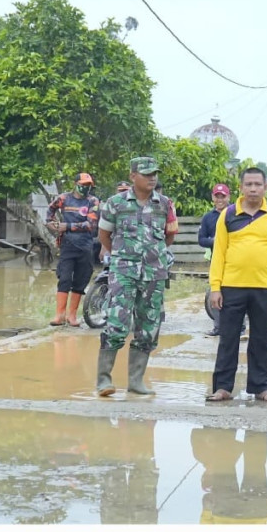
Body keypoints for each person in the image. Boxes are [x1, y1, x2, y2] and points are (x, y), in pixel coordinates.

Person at [94, 157, 177, 396]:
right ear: (133, 176)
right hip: (124, 274)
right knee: (116, 324)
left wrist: (153, 254)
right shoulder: (116, 203)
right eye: (147, 174)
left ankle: (136, 381)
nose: (152, 178)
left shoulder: (164, 204)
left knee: (149, 328)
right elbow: (104, 236)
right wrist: (123, 257)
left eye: (155, 174)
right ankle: (104, 380)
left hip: (154, 274)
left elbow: (169, 236)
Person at [206, 167, 267, 403]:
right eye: (249, 184)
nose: (253, 188)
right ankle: (222, 387)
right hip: (232, 287)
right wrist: (215, 287)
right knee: (228, 338)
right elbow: (219, 253)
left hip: (265, 287)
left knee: (261, 339)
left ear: (266, 187)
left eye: (258, 184)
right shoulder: (228, 214)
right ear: (241, 188)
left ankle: (261, 387)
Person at [46, 173, 100, 327]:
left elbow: (91, 224)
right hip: (67, 245)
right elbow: (50, 211)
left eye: (88, 185)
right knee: (64, 278)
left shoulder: (93, 201)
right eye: (83, 184)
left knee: (80, 280)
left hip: (85, 246)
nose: (86, 188)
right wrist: (51, 223)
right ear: (75, 183)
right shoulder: (63, 198)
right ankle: (59, 315)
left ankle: (72, 316)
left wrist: (67, 226)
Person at [198, 183, 233, 337]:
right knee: (216, 292)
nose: (220, 200)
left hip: (234, 261)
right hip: (216, 260)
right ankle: (218, 327)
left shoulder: (236, 214)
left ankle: (240, 327)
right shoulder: (208, 217)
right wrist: (216, 241)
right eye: (217, 196)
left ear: (228, 197)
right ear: (213, 197)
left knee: (236, 293)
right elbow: (201, 240)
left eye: (223, 197)